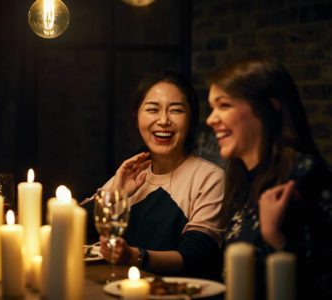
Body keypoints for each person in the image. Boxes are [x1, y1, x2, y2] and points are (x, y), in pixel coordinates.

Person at [206, 57, 332, 299]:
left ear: (268, 107)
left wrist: (275, 237)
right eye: (212, 108)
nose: (211, 119)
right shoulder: (239, 177)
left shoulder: (304, 175)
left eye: (224, 106)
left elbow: (322, 279)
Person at [83, 71, 225, 279]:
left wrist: (135, 256)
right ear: (136, 116)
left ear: (191, 118)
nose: (164, 121)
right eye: (152, 109)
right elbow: (73, 230)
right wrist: (115, 193)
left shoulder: (209, 179)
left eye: (176, 110)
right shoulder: (132, 172)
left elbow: (196, 257)